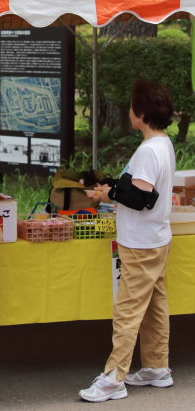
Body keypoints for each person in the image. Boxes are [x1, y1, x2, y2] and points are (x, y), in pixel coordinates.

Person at [79, 78, 175, 403]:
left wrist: (111, 193)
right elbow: (141, 193)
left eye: (133, 106)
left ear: (141, 112)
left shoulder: (149, 150)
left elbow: (141, 198)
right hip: (156, 238)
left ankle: (113, 377)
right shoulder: (163, 143)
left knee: (128, 310)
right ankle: (157, 367)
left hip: (141, 243)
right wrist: (111, 189)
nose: (129, 111)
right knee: (155, 305)